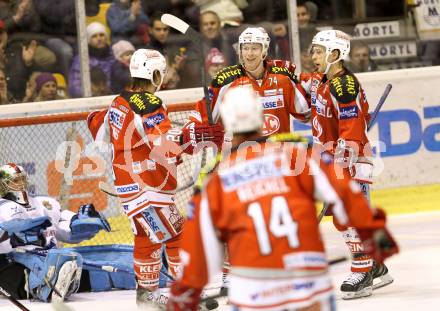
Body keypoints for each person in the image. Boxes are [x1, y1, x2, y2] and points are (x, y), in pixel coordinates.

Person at [167, 86, 398, 310]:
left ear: (227, 122)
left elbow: (199, 251)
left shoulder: (216, 182)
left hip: (254, 292)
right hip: (307, 285)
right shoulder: (297, 156)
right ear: (260, 117)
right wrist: (379, 239)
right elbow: (347, 195)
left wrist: (184, 293)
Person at [87, 49, 223, 308]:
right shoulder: (149, 103)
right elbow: (164, 144)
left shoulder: (119, 101)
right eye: (163, 72)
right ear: (155, 74)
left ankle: (147, 294)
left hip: (130, 185)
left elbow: (96, 126)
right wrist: (195, 137)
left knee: (146, 236)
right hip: (147, 185)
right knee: (178, 234)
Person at [300, 29, 393, 299]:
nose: (313, 56)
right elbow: (304, 82)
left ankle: (362, 271)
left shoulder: (344, 86)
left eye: (319, 51)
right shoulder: (323, 80)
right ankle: (376, 266)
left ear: (336, 54)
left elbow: (351, 133)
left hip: (350, 161)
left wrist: (341, 168)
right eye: (314, 50)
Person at [0, 163, 115, 302]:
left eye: (22, 179)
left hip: (51, 258)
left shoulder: (43, 202)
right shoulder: (2, 208)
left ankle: (58, 280)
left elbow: (64, 228)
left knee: (100, 273)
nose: (21, 183)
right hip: (14, 262)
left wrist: (79, 223)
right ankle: (41, 286)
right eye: (15, 180)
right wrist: (17, 231)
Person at [192, 27, 310, 137]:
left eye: (254, 48)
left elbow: (305, 113)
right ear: (240, 51)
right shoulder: (224, 80)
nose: (249, 54)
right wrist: (192, 132)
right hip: (240, 155)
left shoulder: (283, 77)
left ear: (264, 51)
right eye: (245, 48)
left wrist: (313, 87)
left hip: (278, 155)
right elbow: (203, 116)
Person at [68, 22, 115, 97]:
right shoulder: (82, 59)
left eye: (101, 35)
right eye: (94, 36)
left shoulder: (113, 55)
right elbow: (74, 87)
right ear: (88, 40)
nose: (99, 39)